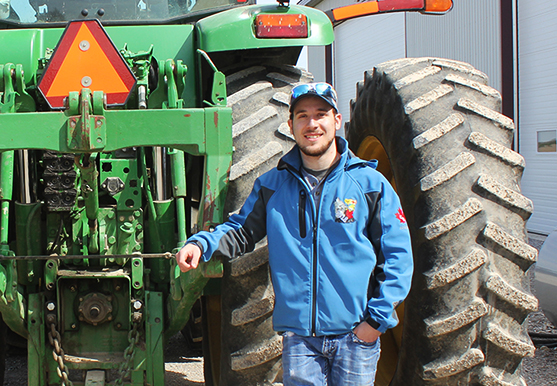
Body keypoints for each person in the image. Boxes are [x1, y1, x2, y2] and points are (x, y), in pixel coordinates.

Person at [176, 82, 412, 385]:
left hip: (355, 337)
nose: (311, 124)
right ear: (290, 125)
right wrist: (201, 244)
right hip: (300, 341)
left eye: (321, 114)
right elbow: (241, 231)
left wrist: (375, 322)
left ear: (336, 121)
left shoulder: (370, 184)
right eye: (302, 116)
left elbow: (397, 256)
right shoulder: (272, 185)